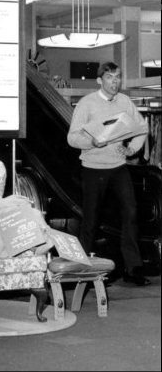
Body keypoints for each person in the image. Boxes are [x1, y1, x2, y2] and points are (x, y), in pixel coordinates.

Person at [67, 61, 150, 286]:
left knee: (131, 213)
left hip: (118, 167)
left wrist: (132, 148)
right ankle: (82, 272)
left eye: (118, 77)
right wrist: (92, 141)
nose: (115, 82)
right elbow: (72, 138)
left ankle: (133, 269)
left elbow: (142, 128)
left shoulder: (124, 102)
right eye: (110, 77)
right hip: (93, 169)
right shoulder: (86, 104)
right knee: (90, 220)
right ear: (99, 80)